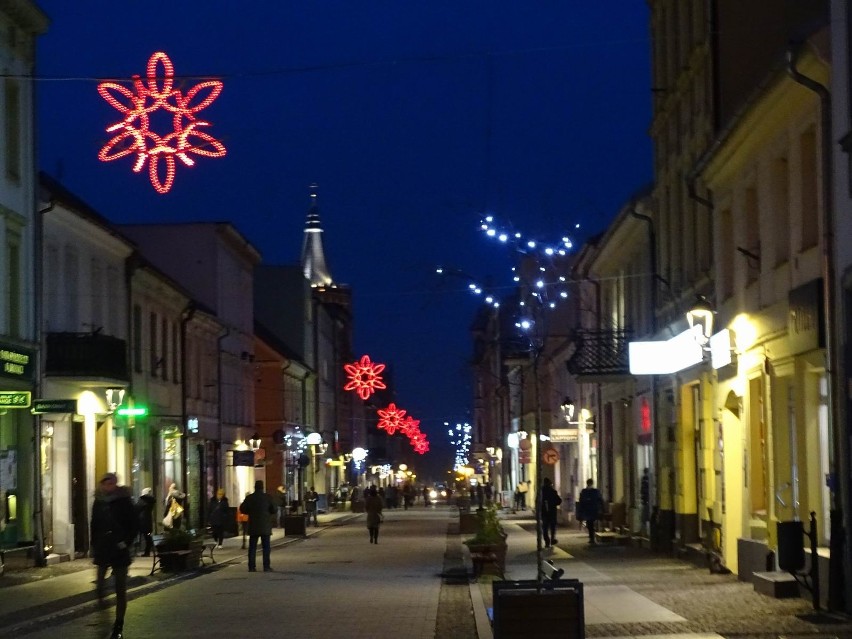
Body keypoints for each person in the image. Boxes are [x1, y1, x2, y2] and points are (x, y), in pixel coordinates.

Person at [91, 472, 137, 639]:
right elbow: (94, 525)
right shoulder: (99, 502)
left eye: (110, 483)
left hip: (119, 550)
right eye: (104, 483)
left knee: (120, 589)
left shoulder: (124, 501)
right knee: (99, 586)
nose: (107, 486)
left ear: (115, 484)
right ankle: (104, 613)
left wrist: (126, 541)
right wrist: (94, 545)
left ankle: (118, 625)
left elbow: (134, 524)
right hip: (103, 549)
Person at [239, 480, 275, 572]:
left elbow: (242, 509)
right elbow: (274, 509)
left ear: (255, 487)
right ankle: (266, 566)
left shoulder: (250, 498)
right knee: (266, 547)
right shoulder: (268, 497)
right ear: (262, 487)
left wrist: (250, 511)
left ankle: (251, 567)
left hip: (253, 525)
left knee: (252, 547)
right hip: (265, 526)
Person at [578, 478, 604, 545]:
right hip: (594, 510)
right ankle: (592, 537)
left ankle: (591, 537)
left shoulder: (584, 491)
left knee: (590, 524)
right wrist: (601, 508)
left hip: (587, 510)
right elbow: (600, 500)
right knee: (592, 524)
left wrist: (580, 511)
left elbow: (581, 502)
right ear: (592, 483)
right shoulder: (595, 491)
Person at [540, 477, 563, 548]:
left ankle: (547, 541)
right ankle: (553, 538)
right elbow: (559, 501)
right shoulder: (553, 491)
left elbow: (538, 502)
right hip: (552, 511)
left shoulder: (541, 492)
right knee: (553, 526)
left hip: (544, 512)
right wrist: (554, 504)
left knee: (545, 527)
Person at [135, 487, 156, 557]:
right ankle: (147, 551)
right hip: (148, 519)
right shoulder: (151, 500)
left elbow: (137, 508)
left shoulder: (142, 500)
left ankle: (136, 551)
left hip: (141, 520)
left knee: (137, 535)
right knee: (147, 536)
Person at [640, 468, 651, 535]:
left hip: (646, 501)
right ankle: (646, 532)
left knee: (644, 517)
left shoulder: (644, 480)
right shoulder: (647, 479)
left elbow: (642, 491)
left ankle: (644, 532)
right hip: (648, 501)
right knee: (646, 517)